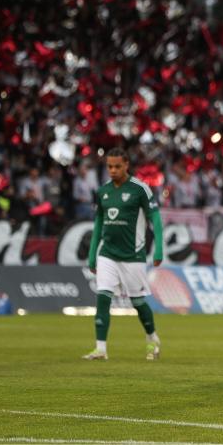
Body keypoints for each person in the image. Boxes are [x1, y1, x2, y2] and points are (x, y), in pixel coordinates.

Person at [83, 148, 164, 361]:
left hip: (133, 255)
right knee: (102, 297)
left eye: (117, 166)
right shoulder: (103, 192)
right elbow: (99, 223)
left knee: (138, 302)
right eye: (109, 166)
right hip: (107, 253)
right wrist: (92, 255)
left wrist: (158, 249)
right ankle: (100, 349)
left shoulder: (140, 189)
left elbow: (155, 218)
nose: (113, 170)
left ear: (126, 164)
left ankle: (152, 337)